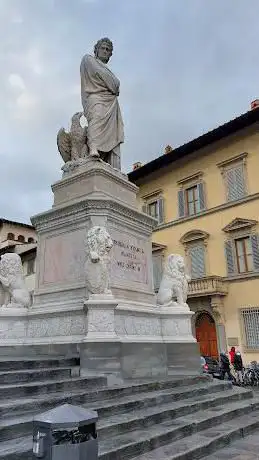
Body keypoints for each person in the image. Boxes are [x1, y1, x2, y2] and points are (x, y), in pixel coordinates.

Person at [80, 37, 124, 170]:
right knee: (96, 119)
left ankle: (105, 159)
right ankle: (93, 148)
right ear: (96, 50)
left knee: (111, 132)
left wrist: (113, 83)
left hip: (110, 103)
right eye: (103, 48)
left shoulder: (107, 70)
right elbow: (114, 84)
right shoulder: (88, 60)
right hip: (96, 98)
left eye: (108, 50)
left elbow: (115, 86)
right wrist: (112, 83)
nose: (105, 51)